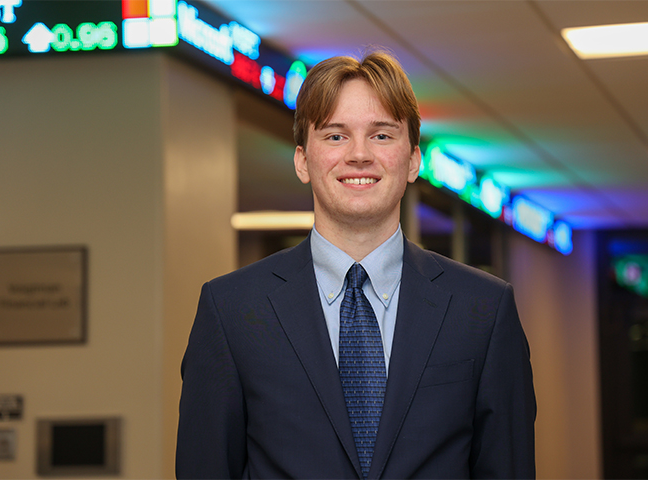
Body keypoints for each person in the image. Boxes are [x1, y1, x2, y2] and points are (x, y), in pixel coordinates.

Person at [176, 51, 536, 479]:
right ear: (302, 161)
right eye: (335, 136)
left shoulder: (483, 311)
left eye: (382, 135)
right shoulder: (231, 309)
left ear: (414, 160)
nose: (359, 154)